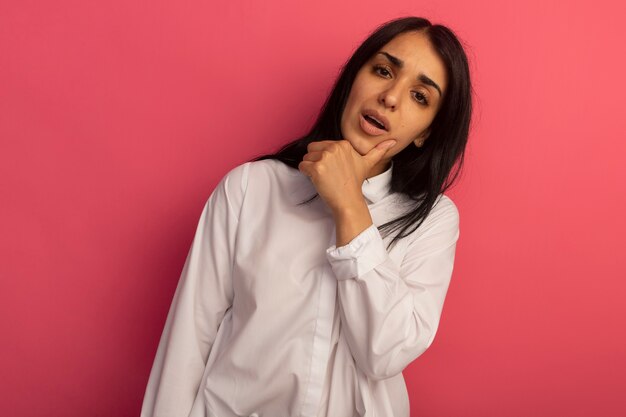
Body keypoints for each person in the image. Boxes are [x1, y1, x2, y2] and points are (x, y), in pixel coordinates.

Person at [141, 16, 472, 417]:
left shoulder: (432, 220)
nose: (390, 97)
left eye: (420, 96)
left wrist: (349, 205)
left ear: (426, 133)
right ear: (353, 79)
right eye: (383, 71)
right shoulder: (251, 188)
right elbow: (187, 344)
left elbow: (385, 352)